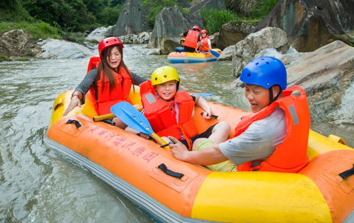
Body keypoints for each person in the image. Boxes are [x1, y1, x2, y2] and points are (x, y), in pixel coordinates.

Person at [167, 56, 310, 173]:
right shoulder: (289, 108)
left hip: (250, 174)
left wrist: (186, 155)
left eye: (256, 91)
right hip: (279, 162)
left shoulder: (262, 130)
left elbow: (218, 154)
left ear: (274, 90)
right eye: (247, 89)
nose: (249, 96)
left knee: (198, 142)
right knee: (222, 129)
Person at [63, 37, 147, 128]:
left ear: (121, 55)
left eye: (116, 54)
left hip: (125, 112)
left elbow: (145, 83)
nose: (113, 58)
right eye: (108, 55)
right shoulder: (96, 72)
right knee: (135, 109)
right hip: (109, 118)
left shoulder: (125, 72)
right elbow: (82, 87)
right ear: (103, 57)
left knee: (140, 109)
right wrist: (76, 96)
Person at [137, 65, 230, 148]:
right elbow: (133, 125)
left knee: (224, 126)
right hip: (174, 144)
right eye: (162, 85)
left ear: (177, 86)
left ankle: (206, 153)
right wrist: (141, 133)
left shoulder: (182, 98)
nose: (167, 89)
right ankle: (202, 154)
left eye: (171, 84)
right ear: (156, 88)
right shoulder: (149, 109)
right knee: (164, 140)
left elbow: (197, 99)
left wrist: (207, 108)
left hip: (192, 139)